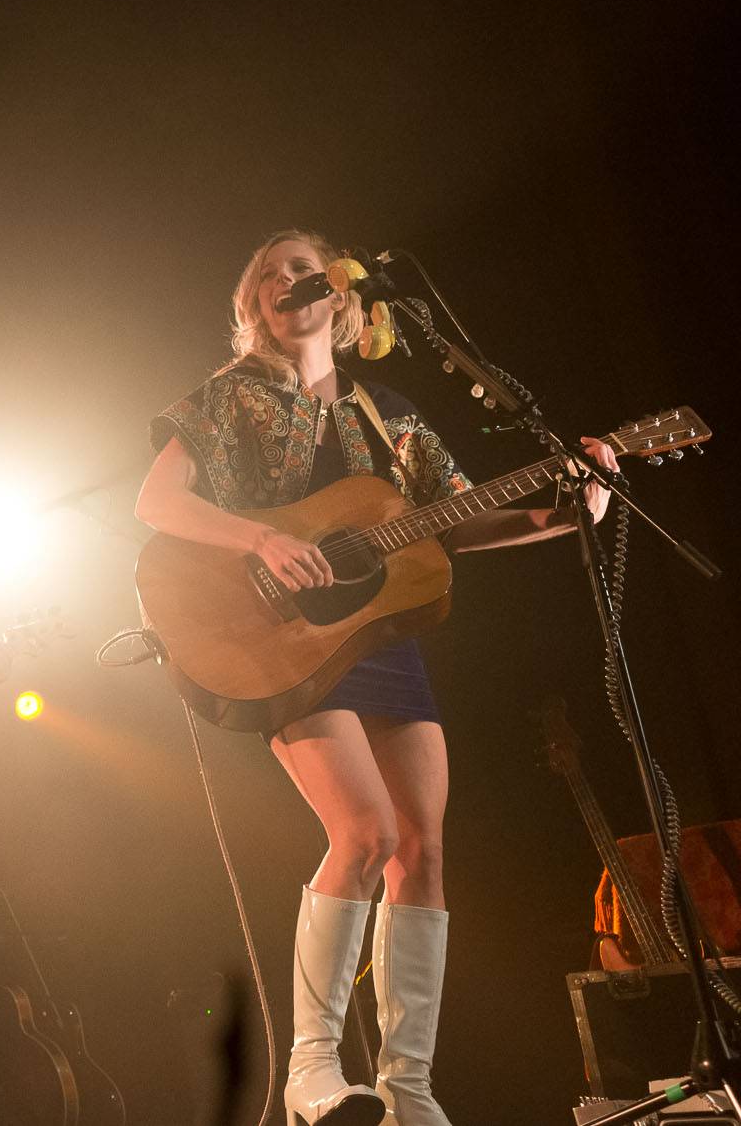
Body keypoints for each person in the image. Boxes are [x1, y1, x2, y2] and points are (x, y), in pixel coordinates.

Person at [134, 230, 618, 1126]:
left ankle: (408, 1084)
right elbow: (155, 504)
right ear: (253, 305)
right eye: (271, 272)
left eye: (304, 267)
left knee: (422, 848)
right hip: (275, 635)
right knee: (362, 831)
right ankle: (311, 1069)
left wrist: (569, 507)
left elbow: (459, 521)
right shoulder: (228, 399)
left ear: (342, 294)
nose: (290, 279)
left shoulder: (383, 409)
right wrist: (263, 538)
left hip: (381, 637)